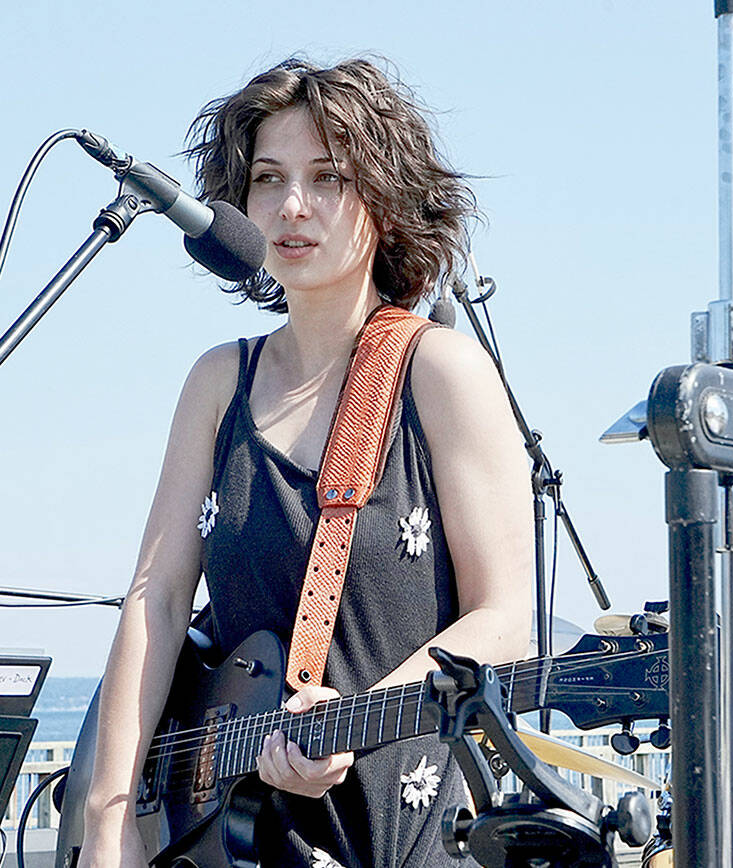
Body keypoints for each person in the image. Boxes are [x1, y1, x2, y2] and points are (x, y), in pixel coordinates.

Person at [77, 57, 533, 868]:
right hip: (226, 844)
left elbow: (504, 619)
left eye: (329, 178)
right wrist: (108, 816)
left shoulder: (442, 371)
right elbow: (157, 599)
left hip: (402, 835)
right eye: (268, 179)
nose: (292, 206)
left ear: (384, 201)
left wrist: (347, 723)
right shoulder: (219, 381)